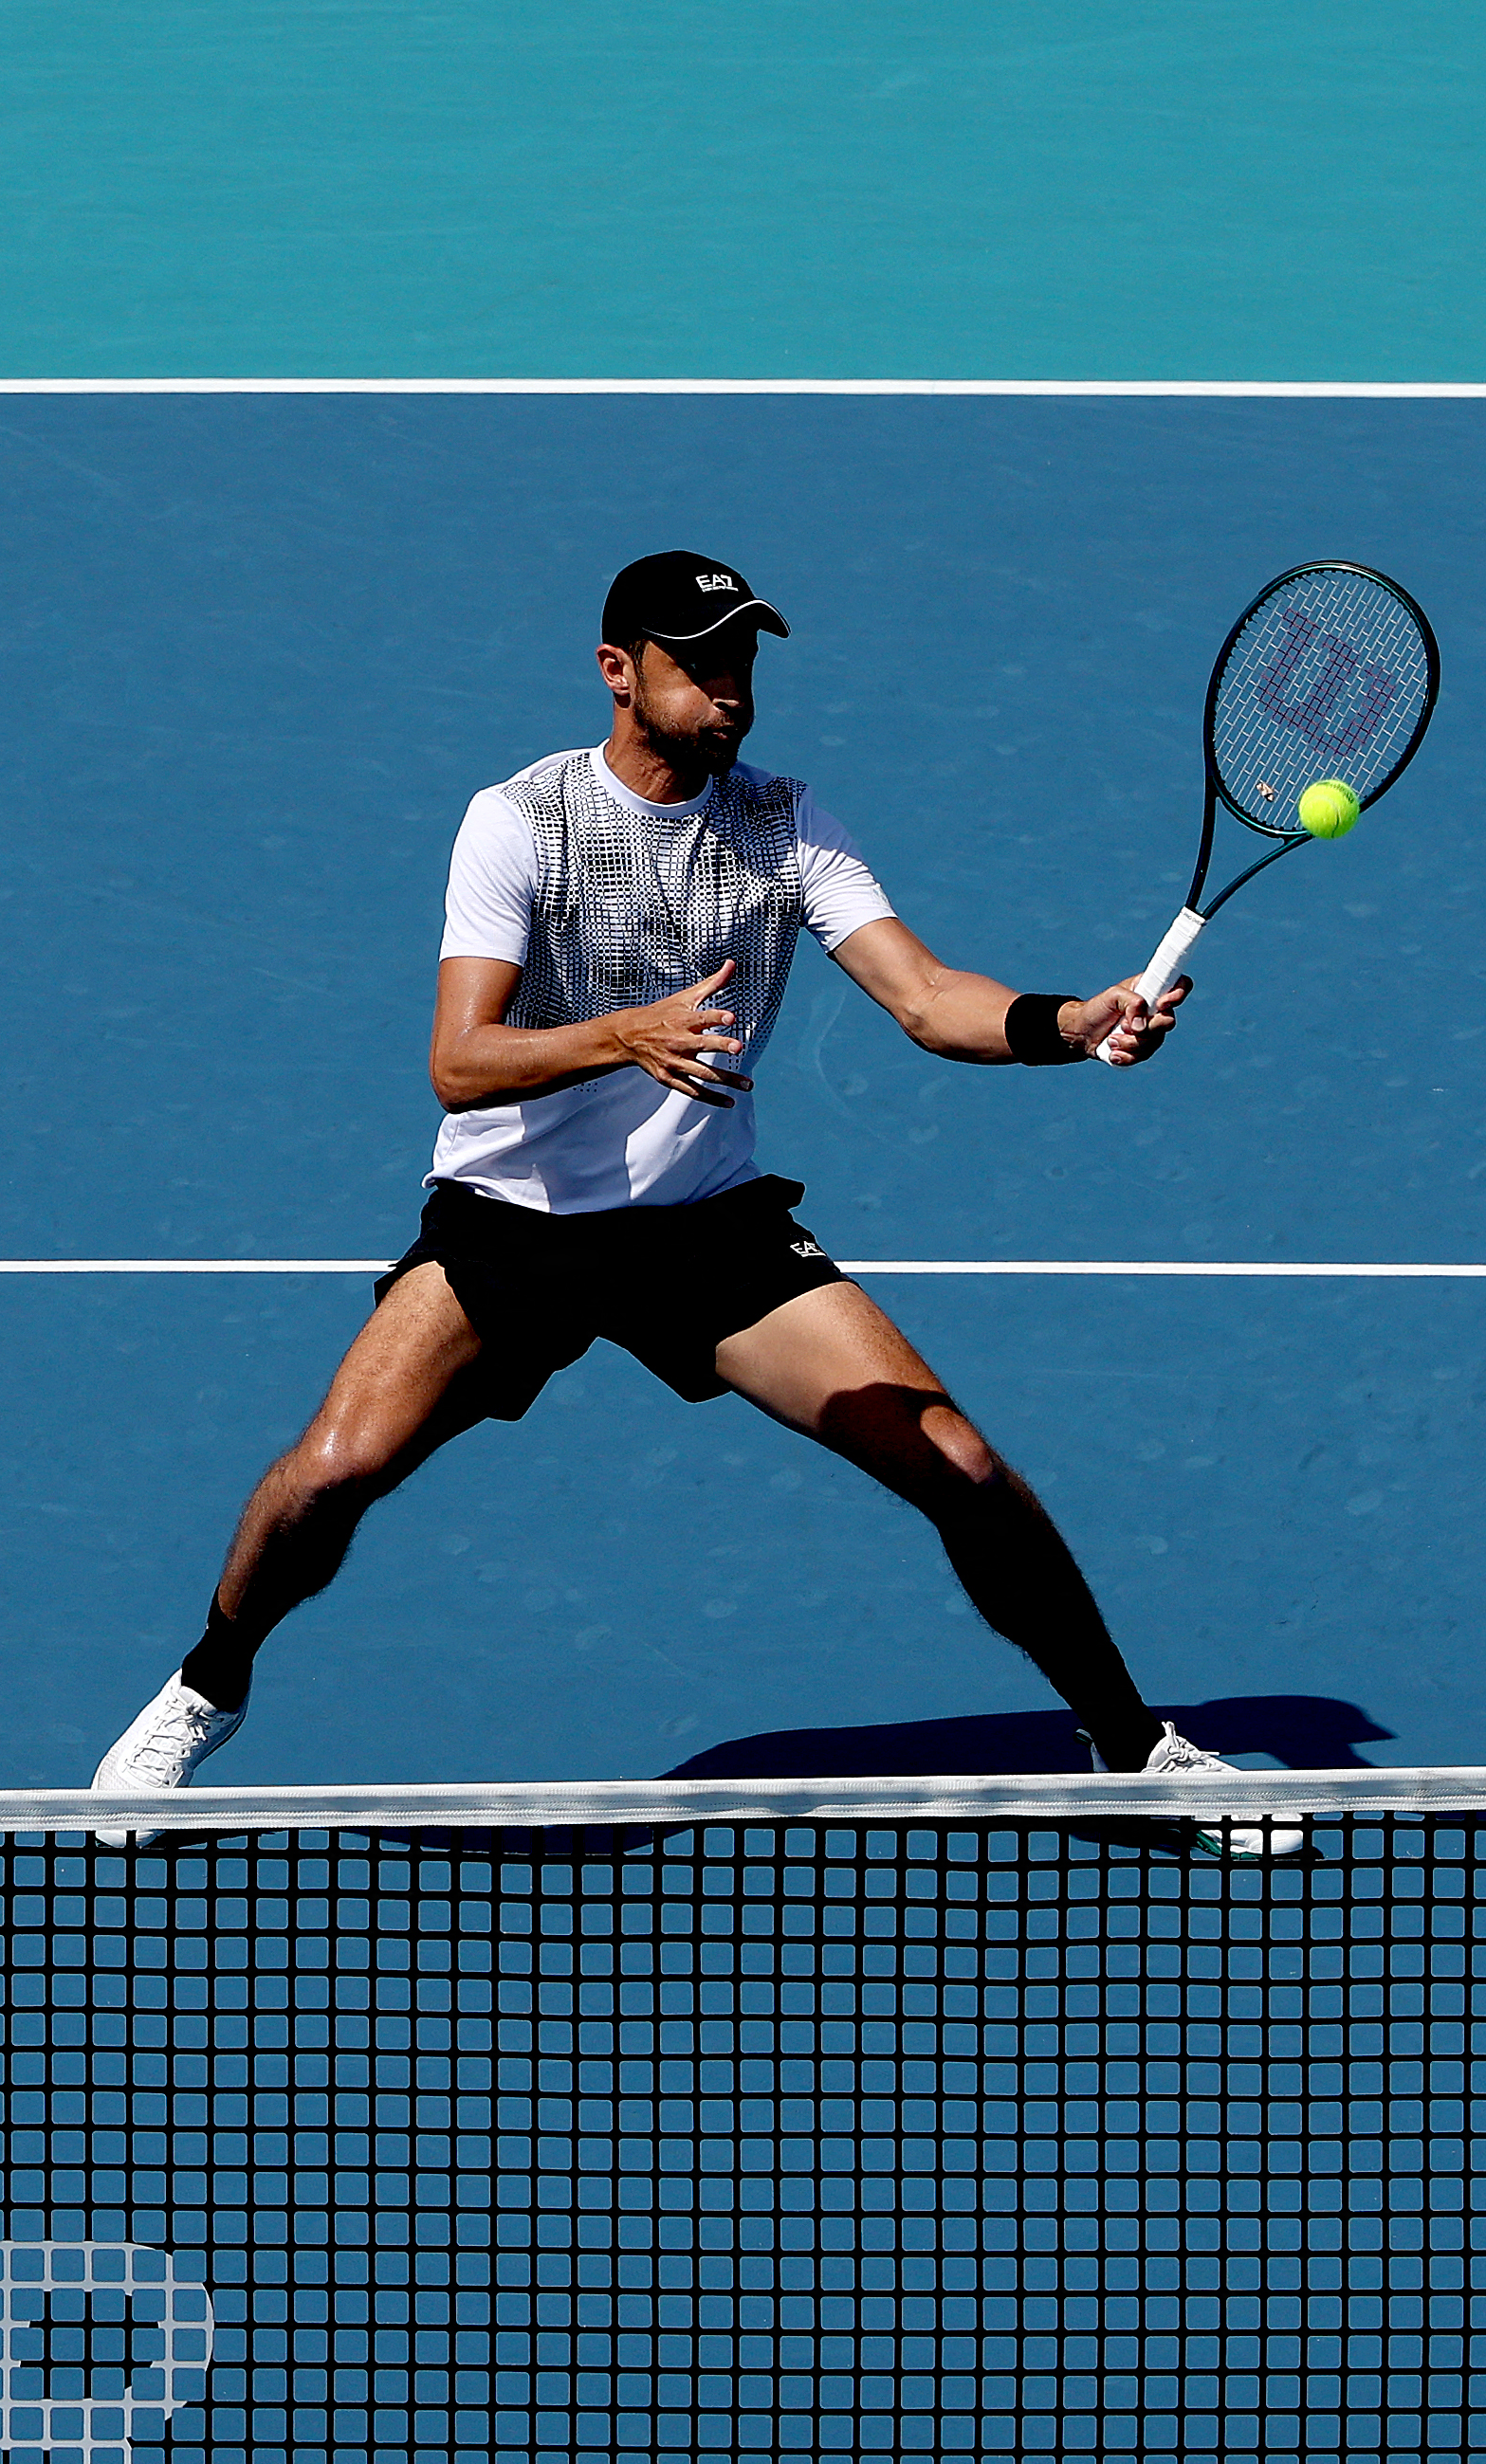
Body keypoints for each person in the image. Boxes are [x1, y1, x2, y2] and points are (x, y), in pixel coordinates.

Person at [85, 552, 1300, 1858]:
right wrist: (623, 1036)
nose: (730, 686)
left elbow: (925, 997)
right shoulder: (520, 820)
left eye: (744, 660)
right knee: (335, 1469)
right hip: (516, 1219)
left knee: (960, 1465)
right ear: (619, 671)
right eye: (698, 660)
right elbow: (460, 1059)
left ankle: (1129, 1751)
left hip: (702, 1228)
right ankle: (209, 1685)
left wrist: (1070, 1022)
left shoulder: (787, 823)